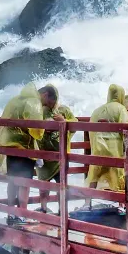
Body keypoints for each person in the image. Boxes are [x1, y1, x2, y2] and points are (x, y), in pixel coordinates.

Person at [0, 83, 45, 223]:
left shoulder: (15, 100)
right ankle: (23, 213)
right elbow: (37, 130)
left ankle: (11, 213)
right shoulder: (33, 102)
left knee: (12, 182)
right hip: (24, 147)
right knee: (25, 183)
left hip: (9, 147)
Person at [35, 84, 77, 214]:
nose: (51, 104)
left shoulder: (63, 109)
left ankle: (62, 210)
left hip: (60, 156)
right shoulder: (37, 111)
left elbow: (75, 123)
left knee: (61, 185)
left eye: (52, 102)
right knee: (43, 185)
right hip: (44, 155)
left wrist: (64, 121)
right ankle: (43, 208)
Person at [86, 84, 128, 193]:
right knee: (118, 176)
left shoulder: (97, 110)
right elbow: (127, 127)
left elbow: (91, 131)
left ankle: (87, 203)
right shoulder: (120, 109)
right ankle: (121, 204)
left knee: (94, 175)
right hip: (114, 150)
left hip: (98, 149)